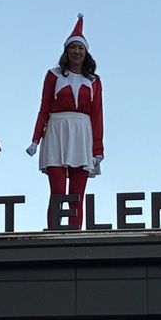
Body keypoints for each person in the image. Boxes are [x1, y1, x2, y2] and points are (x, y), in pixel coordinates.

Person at [26, 13, 104, 229]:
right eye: (73, 48)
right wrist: (35, 139)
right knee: (58, 190)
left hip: (82, 133)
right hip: (57, 131)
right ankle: (53, 229)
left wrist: (98, 148)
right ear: (66, 51)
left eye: (80, 48)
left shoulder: (94, 81)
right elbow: (44, 108)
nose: (76, 52)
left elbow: (98, 115)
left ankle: (74, 232)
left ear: (86, 52)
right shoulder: (54, 75)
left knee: (77, 193)